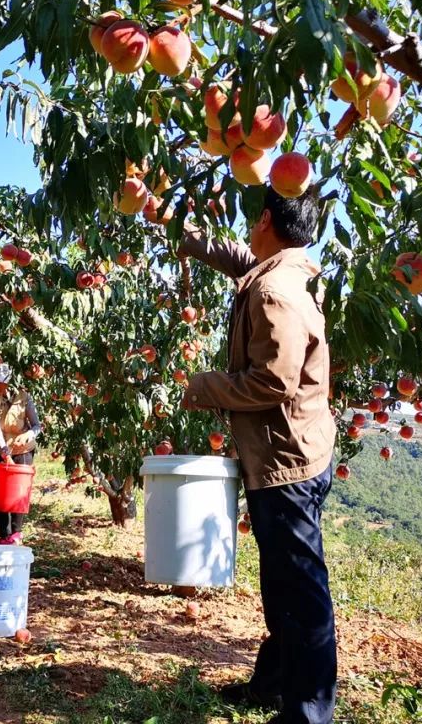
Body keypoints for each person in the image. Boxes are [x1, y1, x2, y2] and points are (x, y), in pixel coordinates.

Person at [177, 187, 338, 723]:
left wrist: (202, 386)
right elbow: (237, 258)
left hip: (285, 462)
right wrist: (178, 226)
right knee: (283, 585)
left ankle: (308, 713)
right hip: (297, 451)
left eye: (252, 221)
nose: (247, 231)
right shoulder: (289, 272)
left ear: (266, 219)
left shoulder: (274, 292)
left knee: (300, 593)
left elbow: (272, 382)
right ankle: (272, 685)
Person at [0, 364, 42, 545]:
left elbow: (37, 426)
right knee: (0, 491)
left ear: (8, 382)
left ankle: (16, 533)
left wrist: (27, 435)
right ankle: (3, 534)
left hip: (22, 449)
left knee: (19, 490)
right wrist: (5, 453)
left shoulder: (24, 398)